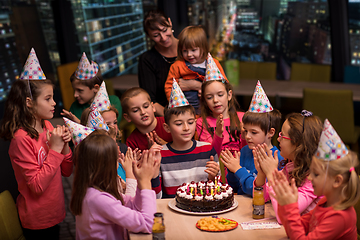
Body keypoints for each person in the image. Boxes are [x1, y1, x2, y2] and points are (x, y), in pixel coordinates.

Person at [0, 48, 73, 239]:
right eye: (48, 99)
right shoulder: (21, 139)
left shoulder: (48, 126)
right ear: (29, 103)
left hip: (56, 210)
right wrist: (56, 149)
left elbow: (67, 171)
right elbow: (37, 186)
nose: (54, 103)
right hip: (37, 220)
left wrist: (65, 145)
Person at [271, 119, 360, 239]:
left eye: (316, 174)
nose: (310, 177)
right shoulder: (324, 203)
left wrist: (290, 206)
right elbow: (296, 228)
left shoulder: (340, 216)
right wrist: (284, 203)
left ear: (337, 181)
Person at [70, 130, 159, 240]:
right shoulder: (97, 199)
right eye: (115, 159)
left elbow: (132, 204)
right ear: (105, 165)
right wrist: (145, 181)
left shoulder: (96, 189)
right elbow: (149, 224)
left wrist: (140, 184)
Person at [151, 80, 220, 198]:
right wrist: (153, 173)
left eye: (190, 122)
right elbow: (156, 198)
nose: (186, 128)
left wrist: (213, 178)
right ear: (167, 128)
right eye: (178, 124)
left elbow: (217, 192)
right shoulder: (160, 154)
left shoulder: (208, 149)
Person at [253, 110, 323, 224]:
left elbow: (285, 216)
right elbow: (263, 197)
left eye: (283, 136)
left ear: (298, 144)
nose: (278, 139)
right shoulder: (292, 167)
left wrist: (271, 174)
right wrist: (262, 174)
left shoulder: (314, 178)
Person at [220, 81, 283, 196]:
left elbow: (259, 192)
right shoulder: (244, 151)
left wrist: (238, 169)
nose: (247, 136)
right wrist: (231, 170)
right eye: (245, 131)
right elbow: (234, 187)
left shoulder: (277, 158)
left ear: (270, 132)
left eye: (253, 132)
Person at [164, 26, 227, 113]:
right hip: (185, 110)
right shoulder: (177, 66)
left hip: (210, 110)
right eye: (185, 51)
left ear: (203, 48)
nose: (189, 54)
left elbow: (224, 84)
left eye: (193, 50)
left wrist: (204, 88)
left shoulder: (213, 63)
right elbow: (169, 87)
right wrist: (176, 105)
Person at [80, 106, 137, 196]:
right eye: (107, 124)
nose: (113, 127)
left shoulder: (124, 149)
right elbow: (127, 200)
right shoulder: (98, 179)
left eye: (115, 122)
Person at [61, 52, 122, 124]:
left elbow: (110, 129)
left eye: (80, 90)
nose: (75, 95)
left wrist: (79, 122)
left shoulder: (114, 102)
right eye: (74, 90)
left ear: (96, 88)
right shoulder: (74, 108)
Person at [138, 10, 178, 116]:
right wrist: (175, 119)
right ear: (149, 36)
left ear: (170, 22)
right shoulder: (147, 59)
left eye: (165, 30)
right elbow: (150, 101)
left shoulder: (190, 48)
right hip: (167, 117)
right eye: (156, 35)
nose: (163, 38)